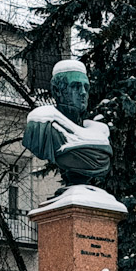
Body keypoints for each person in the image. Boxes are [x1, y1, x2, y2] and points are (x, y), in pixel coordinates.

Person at [22, 59, 113, 189]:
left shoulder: (101, 133)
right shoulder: (42, 124)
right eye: (75, 86)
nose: (83, 92)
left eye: (85, 87)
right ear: (57, 90)